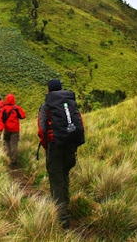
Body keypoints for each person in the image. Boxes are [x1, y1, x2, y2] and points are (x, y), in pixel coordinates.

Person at [38, 80, 85, 229]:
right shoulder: (70, 104)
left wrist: (47, 146)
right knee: (64, 176)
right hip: (70, 146)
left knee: (56, 180)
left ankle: (62, 218)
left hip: (55, 146)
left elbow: (41, 130)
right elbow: (79, 124)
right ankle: (66, 206)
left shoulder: (46, 106)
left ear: (48, 91)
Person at [0, 94, 26, 168]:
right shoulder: (16, 108)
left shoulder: (4, 109)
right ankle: (14, 162)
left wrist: (0, 129)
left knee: (7, 143)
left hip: (7, 129)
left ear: (6, 100)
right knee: (14, 144)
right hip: (15, 130)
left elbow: (1, 120)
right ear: (13, 100)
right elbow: (23, 116)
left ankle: (8, 157)